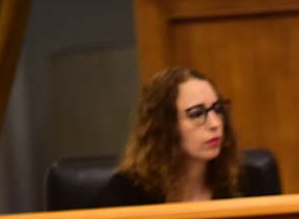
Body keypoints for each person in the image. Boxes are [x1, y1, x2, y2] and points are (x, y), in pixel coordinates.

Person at [96, 67, 241, 206]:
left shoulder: (246, 182)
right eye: (197, 114)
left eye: (218, 109)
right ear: (165, 125)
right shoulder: (127, 192)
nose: (215, 123)